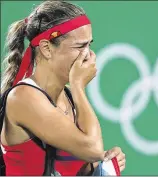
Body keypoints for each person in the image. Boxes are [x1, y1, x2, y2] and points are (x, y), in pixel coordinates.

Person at [0, 1, 126, 176]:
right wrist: (78, 86)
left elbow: (84, 163)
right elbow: (93, 149)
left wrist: (103, 167)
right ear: (46, 49)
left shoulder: (68, 98)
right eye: (80, 46)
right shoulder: (23, 97)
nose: (89, 55)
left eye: (90, 44)